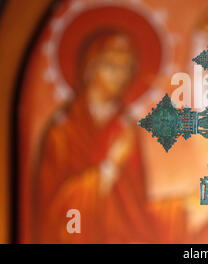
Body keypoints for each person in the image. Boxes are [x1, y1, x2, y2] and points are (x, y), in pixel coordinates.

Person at [33, 30, 186, 243]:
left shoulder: (125, 128)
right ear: (90, 67)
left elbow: (134, 206)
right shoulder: (63, 131)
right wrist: (108, 168)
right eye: (111, 66)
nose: (120, 76)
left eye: (126, 68)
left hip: (122, 236)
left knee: (177, 212)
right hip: (76, 235)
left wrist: (178, 211)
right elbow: (53, 210)